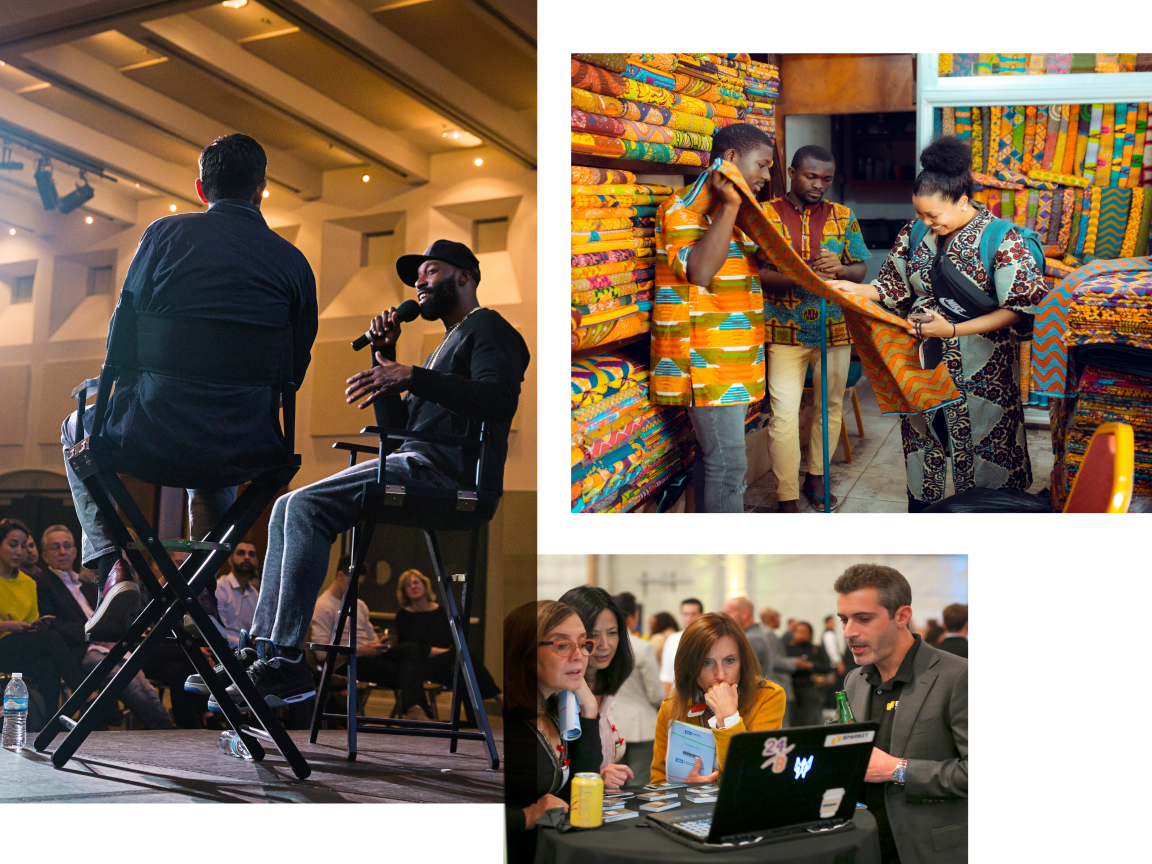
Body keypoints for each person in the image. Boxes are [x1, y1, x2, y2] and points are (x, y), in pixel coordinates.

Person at [212, 238, 529, 712]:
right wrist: (385, 356)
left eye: (431, 271)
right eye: (417, 277)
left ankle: (286, 662)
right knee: (286, 504)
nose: (419, 282)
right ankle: (262, 652)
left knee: (304, 507)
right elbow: (397, 434)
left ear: (464, 276)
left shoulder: (490, 328)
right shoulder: (444, 345)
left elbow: (499, 401)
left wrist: (411, 376)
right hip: (415, 461)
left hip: (451, 477)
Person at [60, 133, 319, 638]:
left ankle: (112, 568)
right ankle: (200, 589)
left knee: (75, 426)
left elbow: (122, 337)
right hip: (245, 444)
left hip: (152, 434)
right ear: (261, 189)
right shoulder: (293, 262)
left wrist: (125, 388)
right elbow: (296, 366)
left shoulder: (165, 235)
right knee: (217, 441)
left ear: (201, 188)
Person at [830, 135, 1049, 511]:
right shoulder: (915, 233)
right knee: (924, 439)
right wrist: (854, 288)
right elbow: (892, 285)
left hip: (984, 368)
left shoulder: (1003, 239)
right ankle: (924, 509)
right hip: (923, 363)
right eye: (920, 214)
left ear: (962, 201)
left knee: (987, 445)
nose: (926, 222)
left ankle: (984, 513)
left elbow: (1020, 307)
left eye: (934, 215)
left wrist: (952, 330)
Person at [651, 123, 774, 512]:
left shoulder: (730, 216)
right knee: (728, 464)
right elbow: (701, 273)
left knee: (715, 461)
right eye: (762, 165)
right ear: (731, 159)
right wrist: (732, 207)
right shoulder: (682, 210)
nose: (767, 176)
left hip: (732, 360)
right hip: (707, 362)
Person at [760, 145, 871, 512]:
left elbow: (860, 271)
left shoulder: (843, 216)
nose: (818, 185)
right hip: (783, 332)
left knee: (830, 407)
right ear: (793, 173)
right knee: (783, 414)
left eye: (826, 179)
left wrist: (841, 268)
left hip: (834, 330)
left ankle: (817, 478)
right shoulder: (765, 215)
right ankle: (786, 494)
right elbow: (755, 273)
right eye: (811, 176)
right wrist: (800, 275)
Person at [836, 563, 967, 864]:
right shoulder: (855, 681)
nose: (848, 632)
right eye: (844, 619)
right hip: (866, 847)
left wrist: (897, 769)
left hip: (931, 852)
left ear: (902, 616)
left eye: (863, 619)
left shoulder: (958, 677)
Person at [34, 525, 174, 729]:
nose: (63, 552)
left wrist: (109, 634)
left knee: (140, 680)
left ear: (75, 551)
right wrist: (94, 634)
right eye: (56, 547)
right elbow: (51, 624)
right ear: (45, 555)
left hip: (108, 643)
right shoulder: (42, 582)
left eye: (67, 546)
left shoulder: (86, 585)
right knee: (126, 679)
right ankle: (162, 727)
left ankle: (164, 727)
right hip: (80, 649)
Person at [504, 600, 602, 864]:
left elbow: (579, 787)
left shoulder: (553, 711)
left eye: (583, 643)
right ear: (526, 653)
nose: (579, 655)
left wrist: (589, 708)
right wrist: (525, 816)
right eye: (562, 645)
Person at [650, 612, 785, 785]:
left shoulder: (767, 697)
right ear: (690, 667)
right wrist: (683, 788)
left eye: (729, 660)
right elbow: (658, 782)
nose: (720, 675)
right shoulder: (672, 706)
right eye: (707, 663)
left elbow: (754, 777)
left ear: (742, 662)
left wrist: (729, 719)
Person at [309, 557, 431, 721]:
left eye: (359, 584)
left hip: (369, 656)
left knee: (410, 649)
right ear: (340, 575)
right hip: (348, 661)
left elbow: (373, 638)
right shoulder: (324, 605)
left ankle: (414, 709)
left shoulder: (359, 605)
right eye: (354, 583)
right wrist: (359, 650)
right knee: (408, 671)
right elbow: (321, 653)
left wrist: (380, 644)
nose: (357, 588)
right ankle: (417, 710)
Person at [0, 520, 85, 718]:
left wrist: (34, 626)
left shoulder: (28, 583)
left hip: (20, 648)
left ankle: (47, 727)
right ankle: (85, 693)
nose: (19, 552)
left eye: (23, 546)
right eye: (13, 545)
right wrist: (8, 625)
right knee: (51, 639)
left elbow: (31, 625)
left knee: (48, 665)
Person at [394, 567, 502, 720]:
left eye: (416, 582)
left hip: (444, 664)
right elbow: (411, 649)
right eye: (407, 585)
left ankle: (475, 721)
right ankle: (500, 697)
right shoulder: (403, 617)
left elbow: (455, 640)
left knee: (465, 672)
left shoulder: (442, 612)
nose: (413, 586)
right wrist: (447, 653)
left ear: (425, 585)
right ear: (404, 592)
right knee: (463, 656)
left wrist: (449, 653)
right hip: (418, 667)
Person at [558, 586, 635, 791]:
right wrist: (597, 777)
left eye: (612, 633)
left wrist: (602, 775)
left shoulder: (607, 689)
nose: (604, 645)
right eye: (593, 635)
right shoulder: (557, 695)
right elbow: (549, 780)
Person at [611, 592, 663, 787]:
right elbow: (656, 695)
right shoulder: (642, 647)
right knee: (639, 786)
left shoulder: (604, 646)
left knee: (614, 787)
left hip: (612, 726)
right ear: (631, 618)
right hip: (641, 727)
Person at [757, 605, 809, 723]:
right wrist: (795, 662)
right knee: (782, 723)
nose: (779, 620)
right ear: (773, 618)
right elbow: (774, 661)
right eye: (778, 617)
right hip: (777, 683)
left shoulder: (761, 632)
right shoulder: (769, 634)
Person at [784, 621, 832, 727]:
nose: (800, 635)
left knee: (809, 720)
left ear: (810, 634)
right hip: (791, 689)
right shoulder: (786, 649)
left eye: (803, 632)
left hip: (809, 688)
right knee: (792, 720)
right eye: (797, 631)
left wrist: (809, 665)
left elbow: (827, 667)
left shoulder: (815, 649)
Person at [215, 541, 261, 649]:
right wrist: (247, 644)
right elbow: (217, 633)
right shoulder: (220, 588)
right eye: (241, 553)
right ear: (230, 560)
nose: (247, 557)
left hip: (246, 653)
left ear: (257, 562)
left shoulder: (255, 595)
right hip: (221, 650)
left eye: (251, 554)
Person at [658, 597, 704, 697]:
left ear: (701, 615)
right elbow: (666, 674)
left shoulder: (708, 639)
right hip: (677, 696)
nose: (689, 618)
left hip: (703, 695)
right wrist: (666, 701)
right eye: (685, 614)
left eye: (693, 614)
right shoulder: (672, 639)